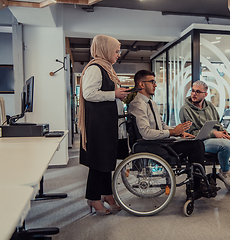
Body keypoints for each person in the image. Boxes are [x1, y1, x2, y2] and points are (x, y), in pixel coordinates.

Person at [128, 70, 217, 198]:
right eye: (152, 82)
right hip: (151, 145)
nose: (155, 85)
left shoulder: (150, 103)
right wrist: (172, 132)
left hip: (160, 142)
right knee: (196, 146)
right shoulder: (137, 104)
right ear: (141, 84)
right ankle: (197, 186)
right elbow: (146, 133)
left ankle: (198, 184)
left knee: (195, 143)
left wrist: (179, 133)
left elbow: (162, 125)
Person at [78, 35, 130, 215]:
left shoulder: (106, 68)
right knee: (98, 162)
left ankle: (107, 194)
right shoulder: (95, 68)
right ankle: (93, 198)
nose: (118, 54)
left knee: (106, 161)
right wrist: (114, 94)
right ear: (105, 50)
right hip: (99, 125)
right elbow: (89, 94)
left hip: (107, 123)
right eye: (116, 51)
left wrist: (118, 95)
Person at [179, 80, 230, 188]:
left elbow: (217, 123)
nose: (194, 94)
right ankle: (225, 171)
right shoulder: (185, 109)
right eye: (192, 91)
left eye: (197, 92)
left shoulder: (209, 106)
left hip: (216, 138)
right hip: (200, 142)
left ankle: (229, 170)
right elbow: (191, 133)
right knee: (225, 144)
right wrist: (214, 133)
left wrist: (223, 132)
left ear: (205, 94)